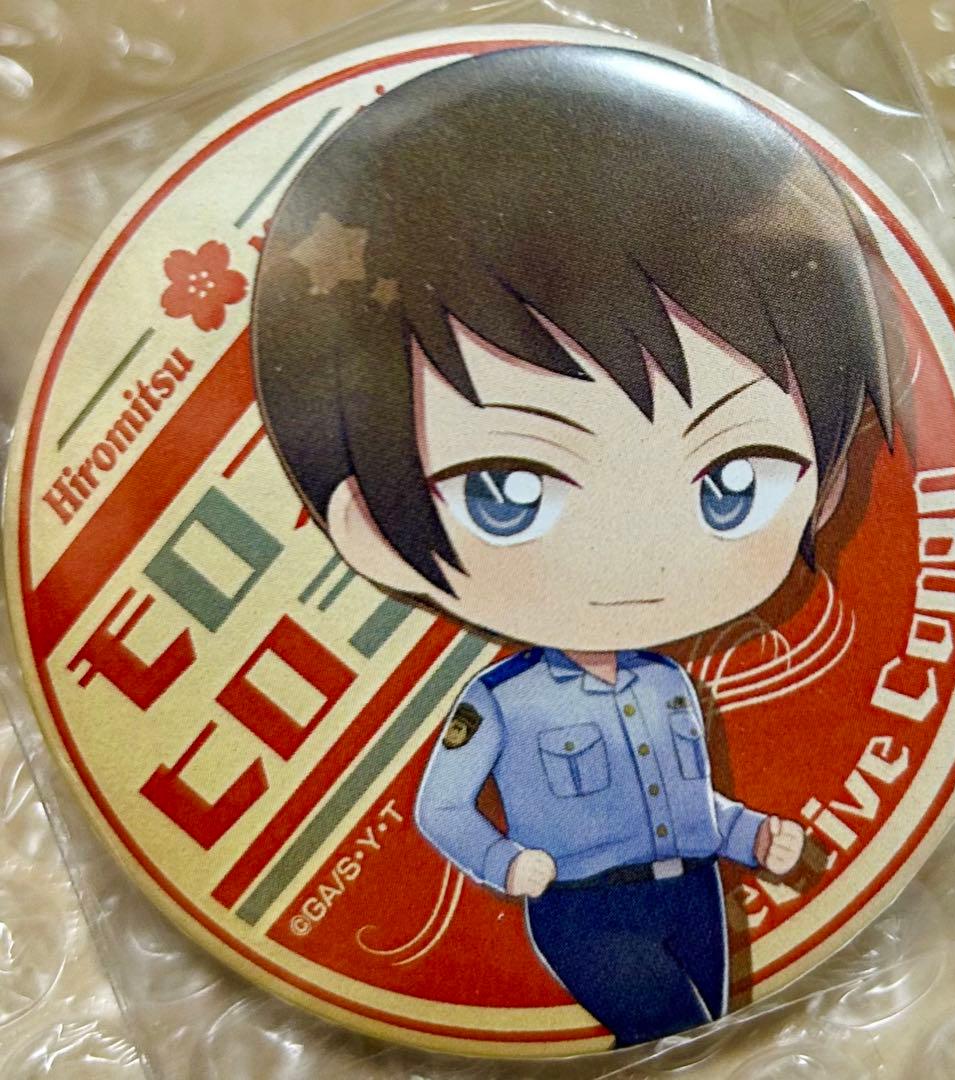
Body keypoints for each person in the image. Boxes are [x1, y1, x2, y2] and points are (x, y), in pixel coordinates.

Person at [252, 43, 897, 1047]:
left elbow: (686, 803)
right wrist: (509, 866)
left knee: (704, 1036)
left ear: (826, 486)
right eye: (508, 492)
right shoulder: (502, 705)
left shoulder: (666, 686)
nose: (636, 560)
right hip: (583, 908)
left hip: (692, 889)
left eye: (731, 482)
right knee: (672, 1044)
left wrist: (751, 836)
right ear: (371, 531)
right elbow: (444, 809)